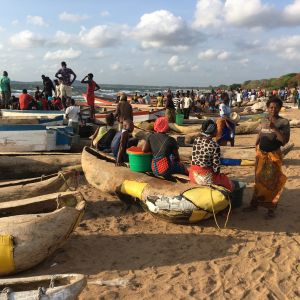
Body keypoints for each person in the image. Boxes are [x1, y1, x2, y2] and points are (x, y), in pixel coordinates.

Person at [246, 96, 290, 218]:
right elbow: (261, 132)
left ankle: (271, 210)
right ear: (267, 108)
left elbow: (284, 140)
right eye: (271, 107)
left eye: (276, 107)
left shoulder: (284, 122)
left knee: (272, 182)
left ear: (280, 109)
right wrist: (256, 143)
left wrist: (274, 128)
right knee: (258, 180)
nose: (273, 109)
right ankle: (254, 205)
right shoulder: (264, 119)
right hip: (261, 155)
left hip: (274, 155)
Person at [189, 119, 233, 191]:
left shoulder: (196, 140)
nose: (217, 131)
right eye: (216, 129)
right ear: (212, 131)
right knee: (226, 181)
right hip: (205, 178)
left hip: (192, 174)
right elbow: (216, 169)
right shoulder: (214, 145)